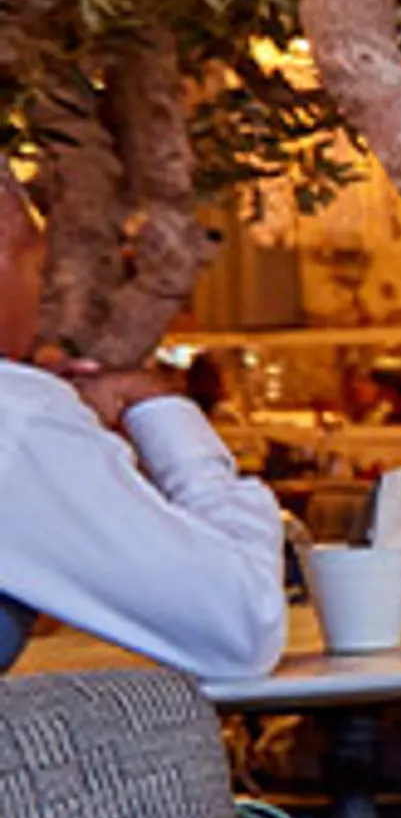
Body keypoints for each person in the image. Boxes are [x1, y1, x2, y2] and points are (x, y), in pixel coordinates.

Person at [0, 205, 288, 679]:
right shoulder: (17, 414)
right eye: (39, 268)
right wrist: (160, 409)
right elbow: (240, 626)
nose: (43, 301)